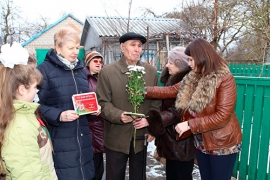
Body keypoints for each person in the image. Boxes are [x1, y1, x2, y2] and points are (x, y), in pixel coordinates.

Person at [147, 38, 242, 180]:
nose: (189, 64)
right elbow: (172, 90)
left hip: (221, 144)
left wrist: (189, 124)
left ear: (202, 57)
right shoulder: (193, 77)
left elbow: (222, 116)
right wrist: (145, 91)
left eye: (191, 60)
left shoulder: (225, 79)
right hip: (201, 141)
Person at [37, 26, 100, 180]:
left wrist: (92, 109)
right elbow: (36, 106)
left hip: (83, 140)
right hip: (61, 141)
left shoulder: (80, 70)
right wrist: (59, 115)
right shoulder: (43, 71)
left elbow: (82, 101)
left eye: (77, 48)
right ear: (58, 48)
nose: (75, 52)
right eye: (70, 48)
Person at [96, 32, 161, 180]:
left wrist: (151, 125)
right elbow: (102, 103)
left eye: (139, 46)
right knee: (114, 176)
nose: (137, 49)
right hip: (117, 135)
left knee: (139, 176)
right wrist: (119, 115)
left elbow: (156, 103)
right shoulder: (108, 72)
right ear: (122, 47)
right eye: (133, 45)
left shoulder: (150, 72)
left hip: (141, 135)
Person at [0, 42, 57, 179]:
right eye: (34, 87)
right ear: (21, 89)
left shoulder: (25, 114)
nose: (37, 91)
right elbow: (28, 174)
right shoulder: (19, 127)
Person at [146, 46, 196, 180]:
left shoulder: (187, 84)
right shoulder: (171, 79)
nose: (167, 65)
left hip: (181, 142)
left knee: (181, 176)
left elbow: (177, 111)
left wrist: (153, 122)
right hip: (171, 140)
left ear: (180, 64)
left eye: (171, 62)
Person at [84, 51, 105, 180]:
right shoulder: (82, 77)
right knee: (90, 159)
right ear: (88, 63)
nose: (98, 63)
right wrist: (89, 109)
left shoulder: (104, 76)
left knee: (98, 159)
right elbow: (80, 98)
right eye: (95, 61)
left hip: (102, 123)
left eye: (100, 61)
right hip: (88, 123)